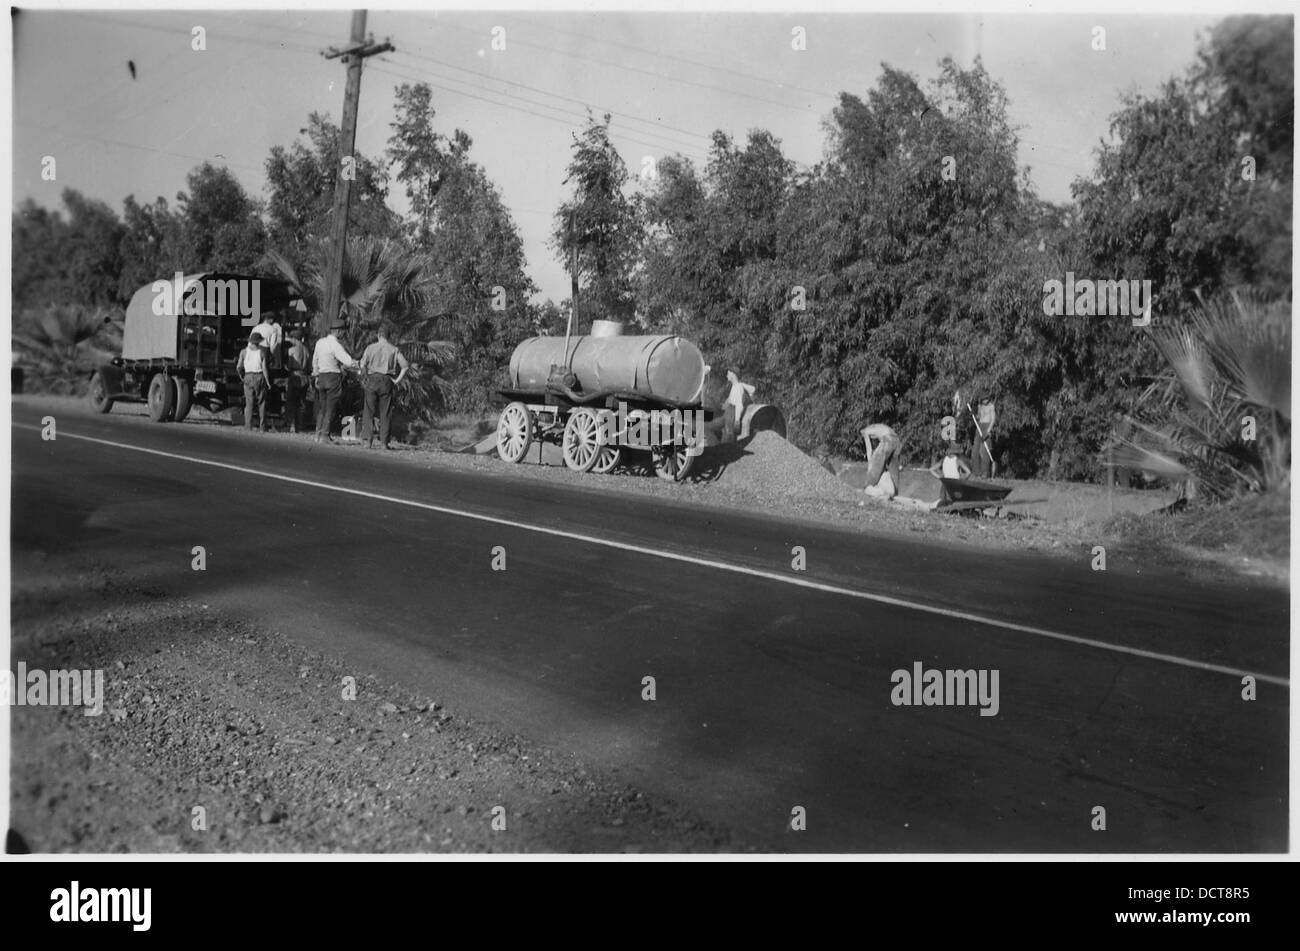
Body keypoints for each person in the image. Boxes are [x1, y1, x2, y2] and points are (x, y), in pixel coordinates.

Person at [358, 324, 409, 449]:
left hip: (372, 379)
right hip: (386, 380)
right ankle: (384, 443)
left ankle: (367, 441)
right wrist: (396, 380)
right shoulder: (394, 349)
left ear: (379, 335)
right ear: (388, 336)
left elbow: (362, 364)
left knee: (369, 410)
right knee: (385, 412)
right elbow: (405, 366)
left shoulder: (370, 348)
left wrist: (364, 377)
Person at [312, 317, 355, 443]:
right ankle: (325, 435)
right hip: (333, 377)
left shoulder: (320, 342)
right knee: (330, 408)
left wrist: (316, 375)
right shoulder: (336, 345)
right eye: (343, 331)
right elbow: (348, 361)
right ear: (338, 331)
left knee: (323, 407)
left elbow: (315, 360)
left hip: (321, 376)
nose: (344, 334)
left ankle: (318, 433)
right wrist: (358, 364)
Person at [237, 331, 271, 432]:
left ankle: (248, 426)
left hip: (248, 376)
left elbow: (239, 366)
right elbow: (264, 369)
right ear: (259, 342)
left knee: (249, 403)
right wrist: (268, 382)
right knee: (262, 403)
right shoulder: (262, 352)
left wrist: (241, 376)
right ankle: (262, 427)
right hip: (259, 376)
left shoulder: (243, 352)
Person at [860, 423, 903, 499]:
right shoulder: (878, 427)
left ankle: (867, 487)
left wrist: (871, 461)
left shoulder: (865, 431)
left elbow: (869, 447)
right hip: (897, 441)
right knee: (894, 470)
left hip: (888, 440)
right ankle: (895, 494)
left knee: (875, 466)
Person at [283, 327, 311, 434]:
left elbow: (289, 365)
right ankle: (300, 426)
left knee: (291, 401)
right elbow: (309, 367)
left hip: (295, 376)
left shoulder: (292, 349)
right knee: (301, 402)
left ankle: (290, 425)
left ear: (294, 338)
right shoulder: (306, 349)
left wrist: (285, 366)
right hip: (304, 377)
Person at [723, 370, 756, 442]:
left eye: (728, 373)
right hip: (729, 416)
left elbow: (739, 405)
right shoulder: (734, 386)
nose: (727, 375)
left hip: (732, 417)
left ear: (733, 374)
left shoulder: (738, 387)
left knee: (729, 439)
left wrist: (737, 421)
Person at [973, 395, 997, 478]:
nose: (985, 401)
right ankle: (976, 472)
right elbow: (979, 417)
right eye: (983, 399)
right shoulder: (979, 406)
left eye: (986, 399)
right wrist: (974, 414)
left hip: (987, 427)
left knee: (984, 451)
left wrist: (988, 431)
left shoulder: (991, 406)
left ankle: (984, 473)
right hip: (979, 426)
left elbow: (993, 419)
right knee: (975, 450)